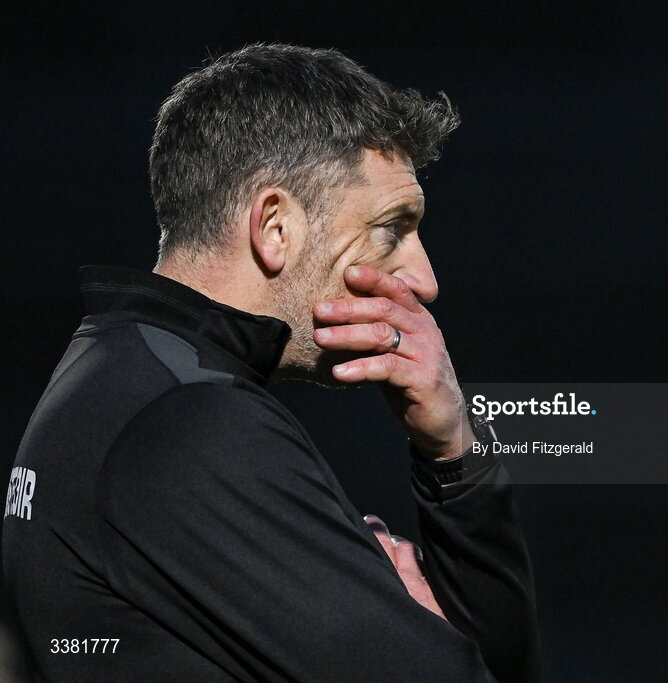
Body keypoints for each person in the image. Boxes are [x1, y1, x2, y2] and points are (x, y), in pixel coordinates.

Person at [2, 43, 539, 682]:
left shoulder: (116, 373)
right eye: (392, 227)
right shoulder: (193, 425)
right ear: (276, 226)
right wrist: (426, 632)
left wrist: (450, 455)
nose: (423, 280)